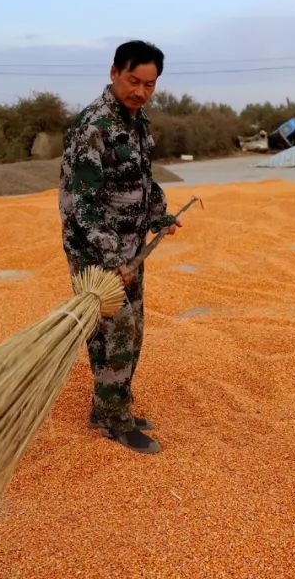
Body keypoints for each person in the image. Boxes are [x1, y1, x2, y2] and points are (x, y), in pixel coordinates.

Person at [58, 40, 182, 455]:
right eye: (133, 81)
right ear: (114, 72)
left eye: (149, 84)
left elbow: (141, 179)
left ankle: (110, 406)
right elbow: (83, 205)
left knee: (133, 328)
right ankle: (115, 421)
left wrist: (159, 214)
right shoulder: (94, 125)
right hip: (96, 252)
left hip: (131, 248)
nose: (141, 91)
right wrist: (111, 260)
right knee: (116, 331)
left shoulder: (137, 121)